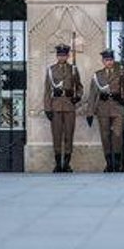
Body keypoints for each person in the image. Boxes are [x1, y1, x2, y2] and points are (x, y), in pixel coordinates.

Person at [86, 49, 124, 172]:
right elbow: (92, 95)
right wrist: (90, 112)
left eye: (111, 60)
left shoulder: (120, 73)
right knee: (105, 136)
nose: (109, 62)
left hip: (117, 107)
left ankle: (117, 163)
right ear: (103, 61)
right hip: (102, 108)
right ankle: (109, 163)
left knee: (117, 135)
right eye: (107, 60)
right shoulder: (97, 75)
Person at [43, 43, 82, 172]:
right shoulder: (51, 70)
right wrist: (47, 108)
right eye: (60, 55)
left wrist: (78, 96)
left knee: (69, 135)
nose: (62, 57)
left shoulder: (73, 69)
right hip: (55, 106)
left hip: (69, 106)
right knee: (57, 135)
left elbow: (79, 86)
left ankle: (67, 164)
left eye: (64, 55)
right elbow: (47, 91)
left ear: (68, 56)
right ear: (57, 56)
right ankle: (58, 164)